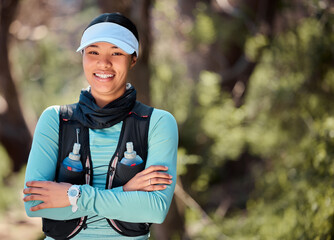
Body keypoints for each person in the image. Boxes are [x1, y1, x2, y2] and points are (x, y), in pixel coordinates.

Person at [23, 13, 178, 240]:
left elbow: (154, 209)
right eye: (93, 52)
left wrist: (72, 196)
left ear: (133, 58)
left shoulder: (158, 123)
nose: (103, 62)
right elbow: (35, 203)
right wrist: (126, 192)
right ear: (83, 56)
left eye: (116, 53)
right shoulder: (55, 120)